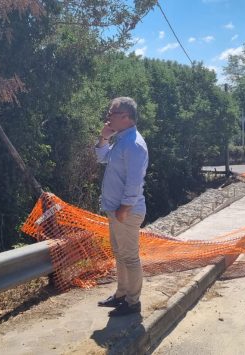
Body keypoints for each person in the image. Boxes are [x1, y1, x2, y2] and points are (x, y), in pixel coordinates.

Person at [94, 97, 148, 317]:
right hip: (117, 210)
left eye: (112, 114)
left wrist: (124, 208)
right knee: (120, 254)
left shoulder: (134, 144)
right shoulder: (121, 140)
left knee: (130, 257)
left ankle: (133, 302)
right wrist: (103, 138)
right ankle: (121, 295)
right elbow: (102, 158)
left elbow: (135, 181)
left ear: (125, 117)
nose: (108, 118)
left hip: (126, 211)